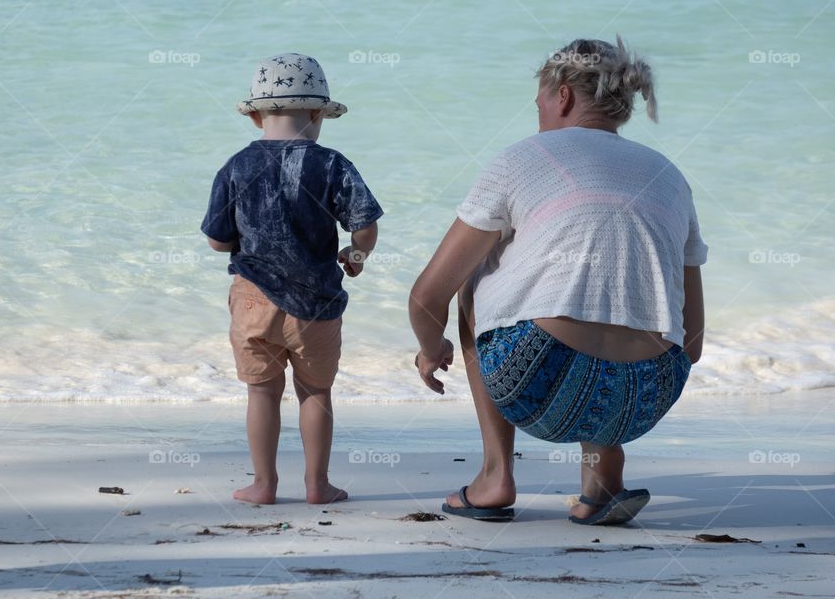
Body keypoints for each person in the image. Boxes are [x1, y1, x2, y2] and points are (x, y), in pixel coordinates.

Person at [409, 36, 707, 525]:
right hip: (647, 396)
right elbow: (691, 343)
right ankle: (603, 479)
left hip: (540, 380)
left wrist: (430, 347)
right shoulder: (670, 176)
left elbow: (426, 296)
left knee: (474, 275)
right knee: (617, 287)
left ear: (562, 94)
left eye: (540, 102)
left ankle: (494, 475)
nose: (540, 114)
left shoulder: (520, 159)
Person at [202, 53, 383, 504]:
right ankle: (317, 485)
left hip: (252, 299)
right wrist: (355, 255)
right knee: (316, 393)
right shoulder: (332, 164)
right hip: (316, 301)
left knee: (261, 393)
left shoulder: (236, 167)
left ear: (256, 116)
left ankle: (264, 485)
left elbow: (218, 243)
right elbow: (364, 226)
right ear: (319, 113)